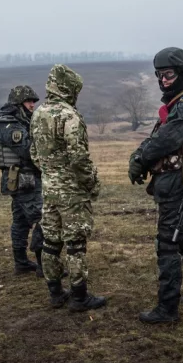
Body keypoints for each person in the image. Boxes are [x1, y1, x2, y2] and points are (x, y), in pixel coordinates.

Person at [130, 47, 183, 323]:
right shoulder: (180, 100)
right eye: (159, 75)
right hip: (176, 181)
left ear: (182, 72)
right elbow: (161, 134)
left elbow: (168, 139)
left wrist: (141, 158)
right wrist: (140, 155)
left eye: (168, 74)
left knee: (168, 244)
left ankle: (168, 308)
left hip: (179, 183)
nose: (163, 80)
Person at [30, 64, 106, 311]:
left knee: (51, 241)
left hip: (49, 188)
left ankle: (55, 292)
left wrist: (51, 172)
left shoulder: (38, 113)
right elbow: (79, 157)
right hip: (71, 191)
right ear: (69, 88)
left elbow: (33, 152)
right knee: (75, 244)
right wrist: (90, 182)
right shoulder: (69, 116)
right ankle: (80, 297)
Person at [0, 85, 46, 277]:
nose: (32, 105)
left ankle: (22, 263)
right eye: (29, 101)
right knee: (42, 218)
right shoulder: (8, 124)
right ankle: (44, 265)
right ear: (18, 103)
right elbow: (27, 149)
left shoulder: (23, 121)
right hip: (23, 179)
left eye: (33, 101)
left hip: (26, 178)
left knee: (21, 220)